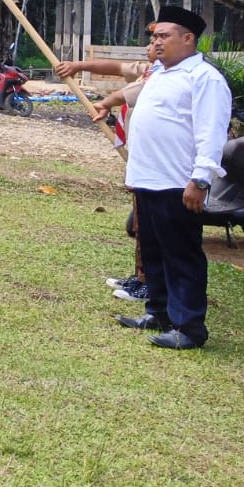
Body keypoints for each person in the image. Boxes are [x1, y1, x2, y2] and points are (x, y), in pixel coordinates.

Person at [114, 5, 230, 350]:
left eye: (164, 36)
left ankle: (189, 327)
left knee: (181, 255)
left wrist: (201, 179)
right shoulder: (161, 74)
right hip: (149, 179)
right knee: (153, 252)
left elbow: (211, 133)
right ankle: (159, 312)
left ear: (188, 38)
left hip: (179, 183)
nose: (156, 42)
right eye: (154, 37)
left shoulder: (205, 78)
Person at [55, 33, 160, 301]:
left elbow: (129, 93)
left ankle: (151, 282)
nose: (150, 46)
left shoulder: (167, 76)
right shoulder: (150, 69)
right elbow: (116, 67)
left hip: (158, 165)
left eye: (157, 40)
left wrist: (105, 103)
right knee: (140, 223)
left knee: (151, 226)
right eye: (152, 40)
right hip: (141, 161)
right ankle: (141, 276)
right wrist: (79, 66)